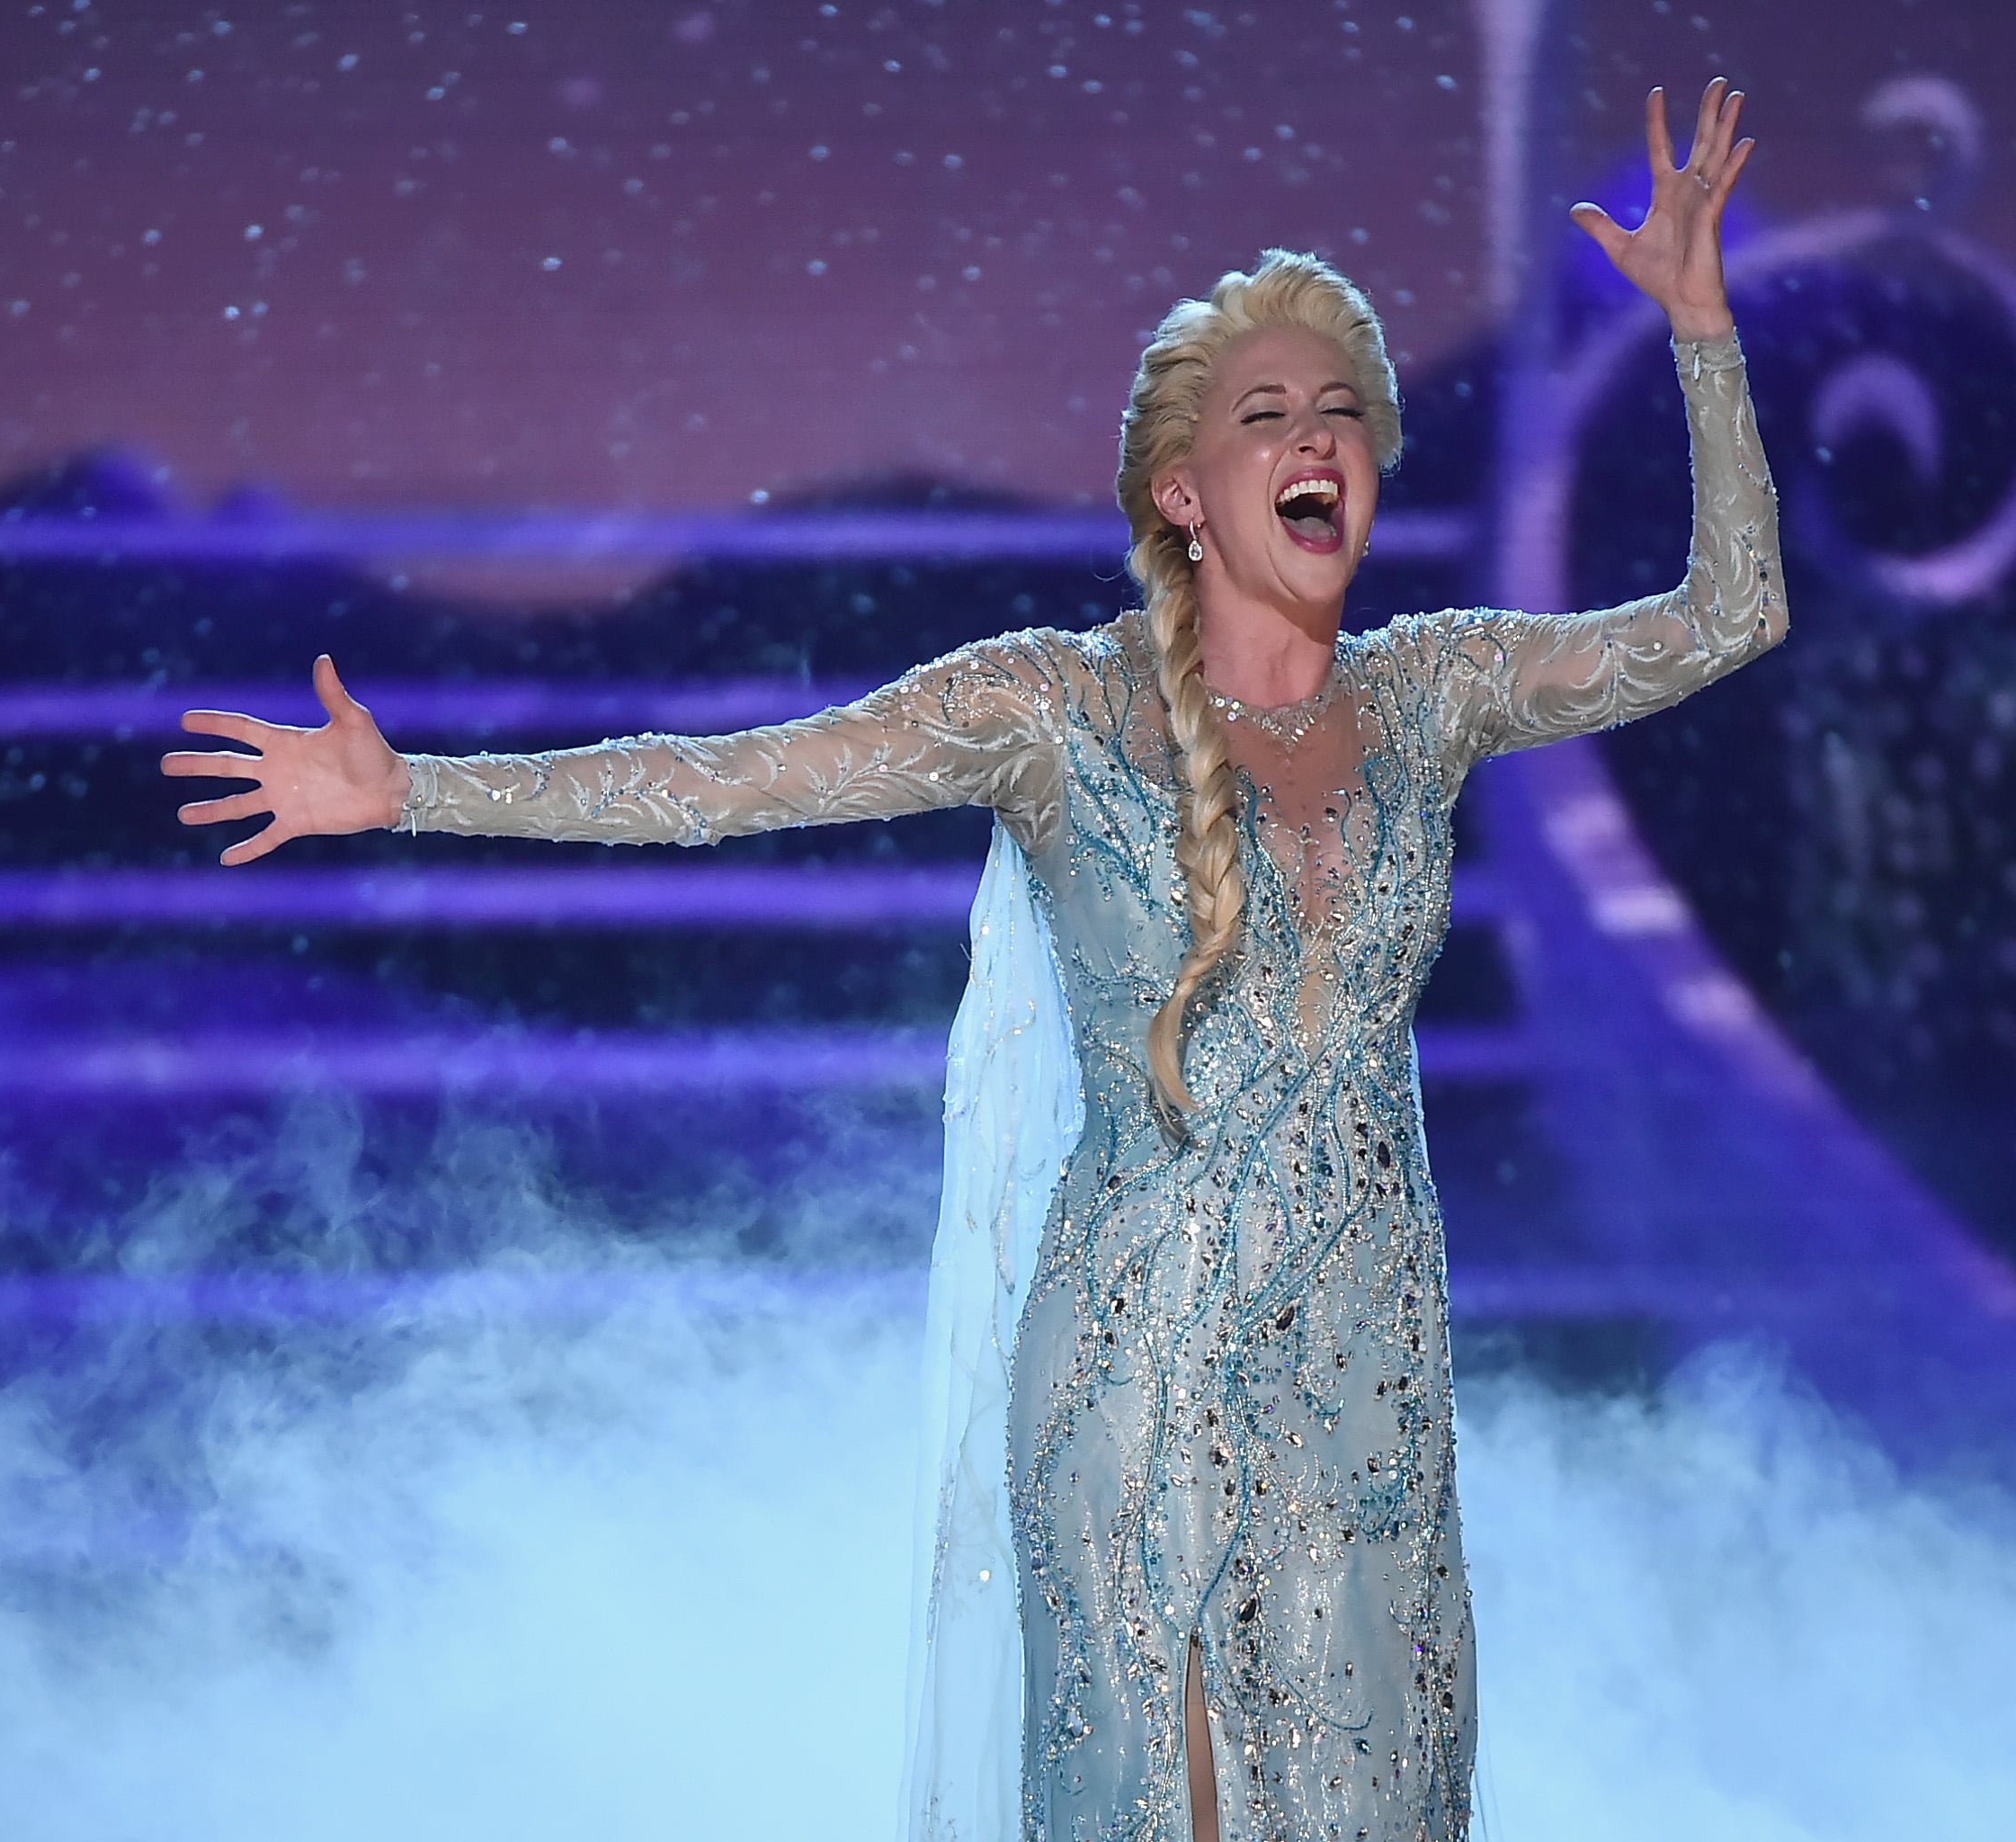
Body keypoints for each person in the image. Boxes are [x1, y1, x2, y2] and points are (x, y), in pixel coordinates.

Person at [165, 78, 1780, 1842]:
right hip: (1137, 1361)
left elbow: (1730, 616)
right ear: (1183, 489)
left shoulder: (1434, 690)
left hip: (1368, 1362)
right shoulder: (1048, 704)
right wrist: (410, 792)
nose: (1316, 435)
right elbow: (723, 784)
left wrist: (1699, 332)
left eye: (1344, 411)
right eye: (1265, 413)